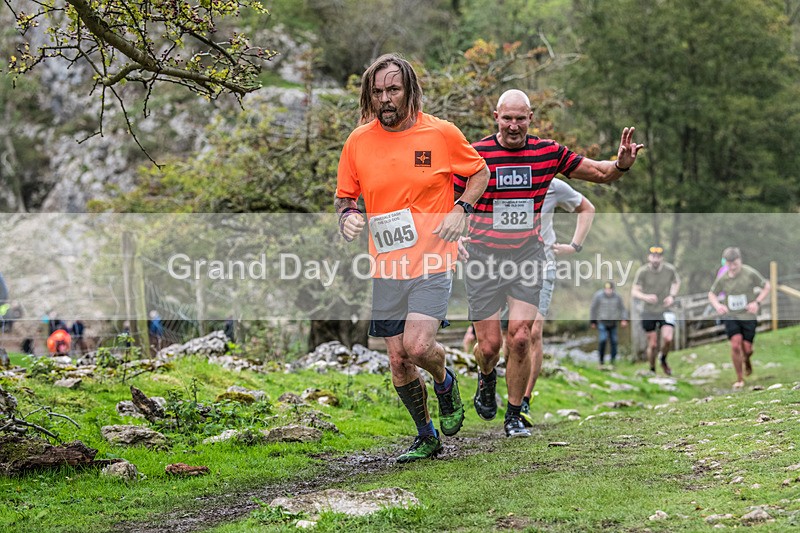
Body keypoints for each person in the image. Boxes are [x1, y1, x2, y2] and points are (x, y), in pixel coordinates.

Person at [454, 89, 642, 437]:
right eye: (507, 118)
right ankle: (486, 375)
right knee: (490, 346)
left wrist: (620, 165)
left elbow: (599, 173)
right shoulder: (474, 154)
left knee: (522, 337)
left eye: (520, 118)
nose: (513, 125)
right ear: (496, 116)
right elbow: (447, 200)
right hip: (484, 259)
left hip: (527, 257)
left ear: (530, 117)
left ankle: (513, 415)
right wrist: (456, 238)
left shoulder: (547, 152)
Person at [335, 53, 490, 462]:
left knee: (419, 347)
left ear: (409, 91)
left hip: (434, 258)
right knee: (398, 360)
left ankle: (444, 380)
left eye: (393, 89)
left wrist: (462, 209)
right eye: (378, 91)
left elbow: (480, 173)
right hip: (387, 264)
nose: (385, 98)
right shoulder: (358, 141)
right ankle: (426, 436)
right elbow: (345, 197)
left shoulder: (440, 133)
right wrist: (349, 217)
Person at [520, 177, 596, 426]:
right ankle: (491, 381)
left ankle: (524, 400)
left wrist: (575, 246)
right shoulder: (498, 170)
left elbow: (587, 207)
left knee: (532, 332)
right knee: (501, 339)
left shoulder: (551, 183)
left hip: (542, 264)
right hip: (500, 265)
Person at [708, 247, 770, 389]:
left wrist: (757, 302)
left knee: (747, 349)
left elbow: (767, 286)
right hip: (731, 315)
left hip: (748, 315)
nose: (732, 267)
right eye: (729, 264)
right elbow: (711, 294)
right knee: (736, 344)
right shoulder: (722, 279)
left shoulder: (749, 273)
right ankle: (740, 378)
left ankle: (747, 359)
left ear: (740, 260)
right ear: (726, 263)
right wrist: (718, 305)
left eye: (735, 263)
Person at [631, 245, 681, 375]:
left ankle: (663, 358)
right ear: (649, 257)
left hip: (665, 309)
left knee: (668, 338)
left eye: (658, 257)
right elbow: (634, 291)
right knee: (652, 344)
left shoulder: (669, 270)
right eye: (653, 256)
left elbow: (676, 282)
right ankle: (652, 368)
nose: (655, 259)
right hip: (648, 311)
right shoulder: (642, 272)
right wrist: (645, 297)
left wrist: (672, 296)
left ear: (662, 258)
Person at [589, 281, 629, 366]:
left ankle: (613, 361)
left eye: (610, 289)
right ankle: (601, 360)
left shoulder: (617, 297)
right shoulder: (598, 296)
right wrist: (593, 321)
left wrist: (624, 319)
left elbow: (622, 309)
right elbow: (593, 308)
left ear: (613, 289)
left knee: (614, 341)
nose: (608, 291)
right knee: (603, 340)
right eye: (606, 289)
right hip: (602, 322)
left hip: (613, 323)